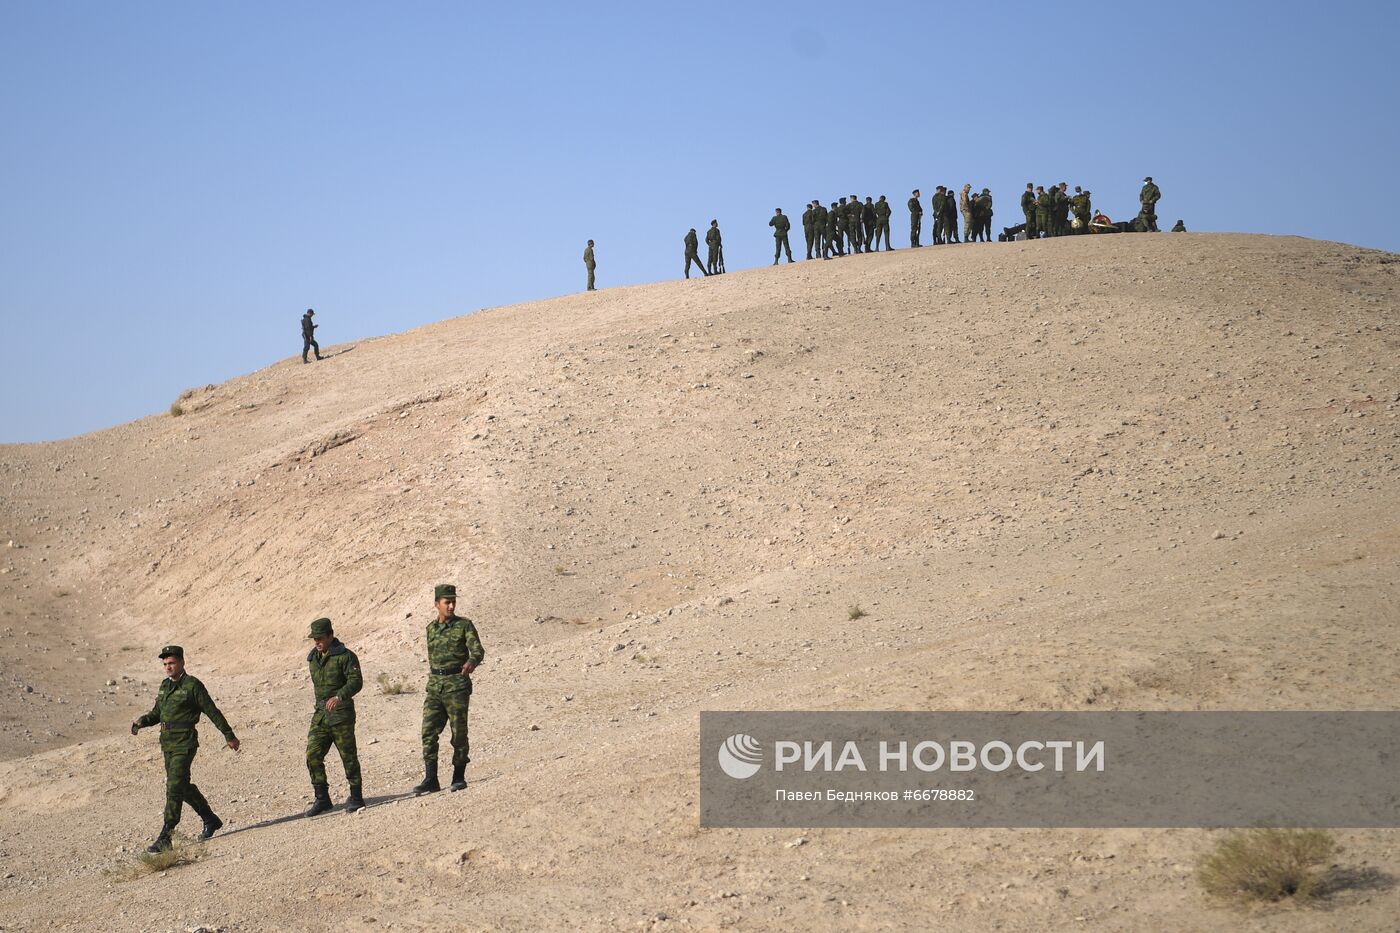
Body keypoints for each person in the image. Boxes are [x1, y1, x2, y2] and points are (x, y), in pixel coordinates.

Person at [131, 645, 239, 852]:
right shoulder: (165, 686)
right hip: (167, 744)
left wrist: (229, 735)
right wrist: (142, 722)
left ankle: (166, 835)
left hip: (185, 742)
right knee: (181, 785)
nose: (168, 667)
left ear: (181, 663)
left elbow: (212, 711)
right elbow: (157, 713)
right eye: (165, 664)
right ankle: (210, 818)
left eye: (171, 663)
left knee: (173, 787)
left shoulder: (193, 686)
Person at [414, 584, 485, 795]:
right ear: (437, 604)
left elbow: (478, 650)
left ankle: (458, 776)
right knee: (428, 731)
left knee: (459, 732)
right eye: (447, 602)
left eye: (453, 602)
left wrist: (472, 662)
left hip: (457, 685)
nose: (452, 606)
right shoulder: (430, 629)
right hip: (435, 686)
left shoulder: (464, 625)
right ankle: (431, 779)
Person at [304, 618, 364, 817]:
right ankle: (322, 799)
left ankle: (356, 796)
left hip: (341, 716)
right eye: (314, 639)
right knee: (312, 755)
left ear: (331, 635)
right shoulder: (313, 658)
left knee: (348, 757)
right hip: (321, 716)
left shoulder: (346, 657)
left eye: (320, 638)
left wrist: (340, 696)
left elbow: (356, 681)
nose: (317, 642)